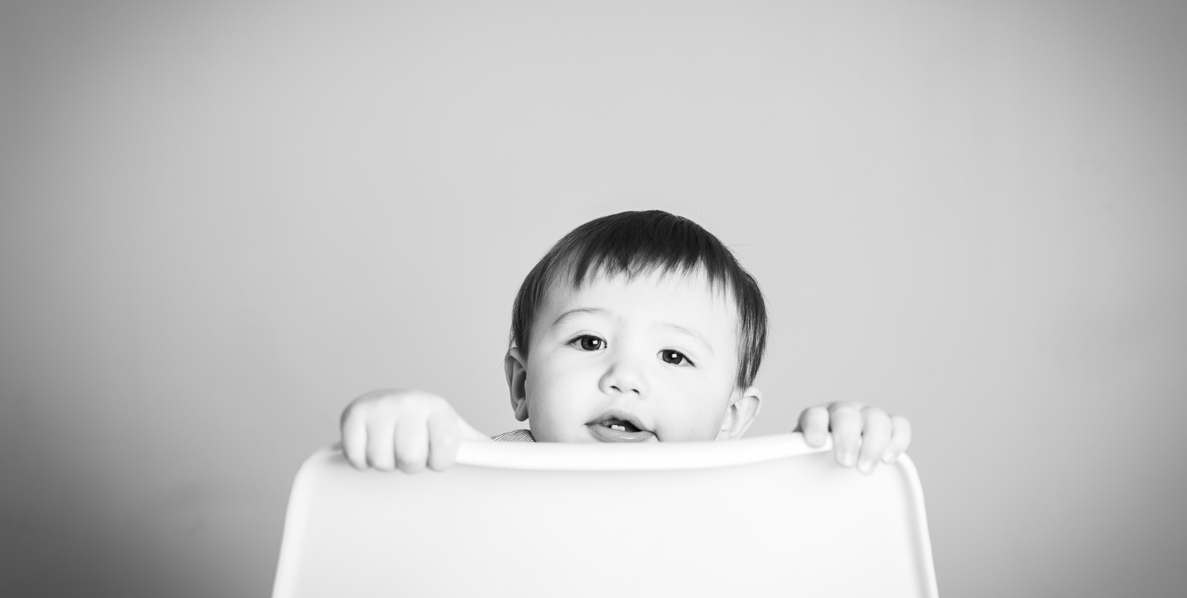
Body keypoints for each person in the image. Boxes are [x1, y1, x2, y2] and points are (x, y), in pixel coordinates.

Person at [340, 210, 912, 473]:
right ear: (520, 383)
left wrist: (835, 451)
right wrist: (407, 430)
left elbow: (805, 539)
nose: (624, 377)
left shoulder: (737, 490)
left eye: (673, 355)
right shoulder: (486, 473)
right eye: (589, 342)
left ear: (733, 417)